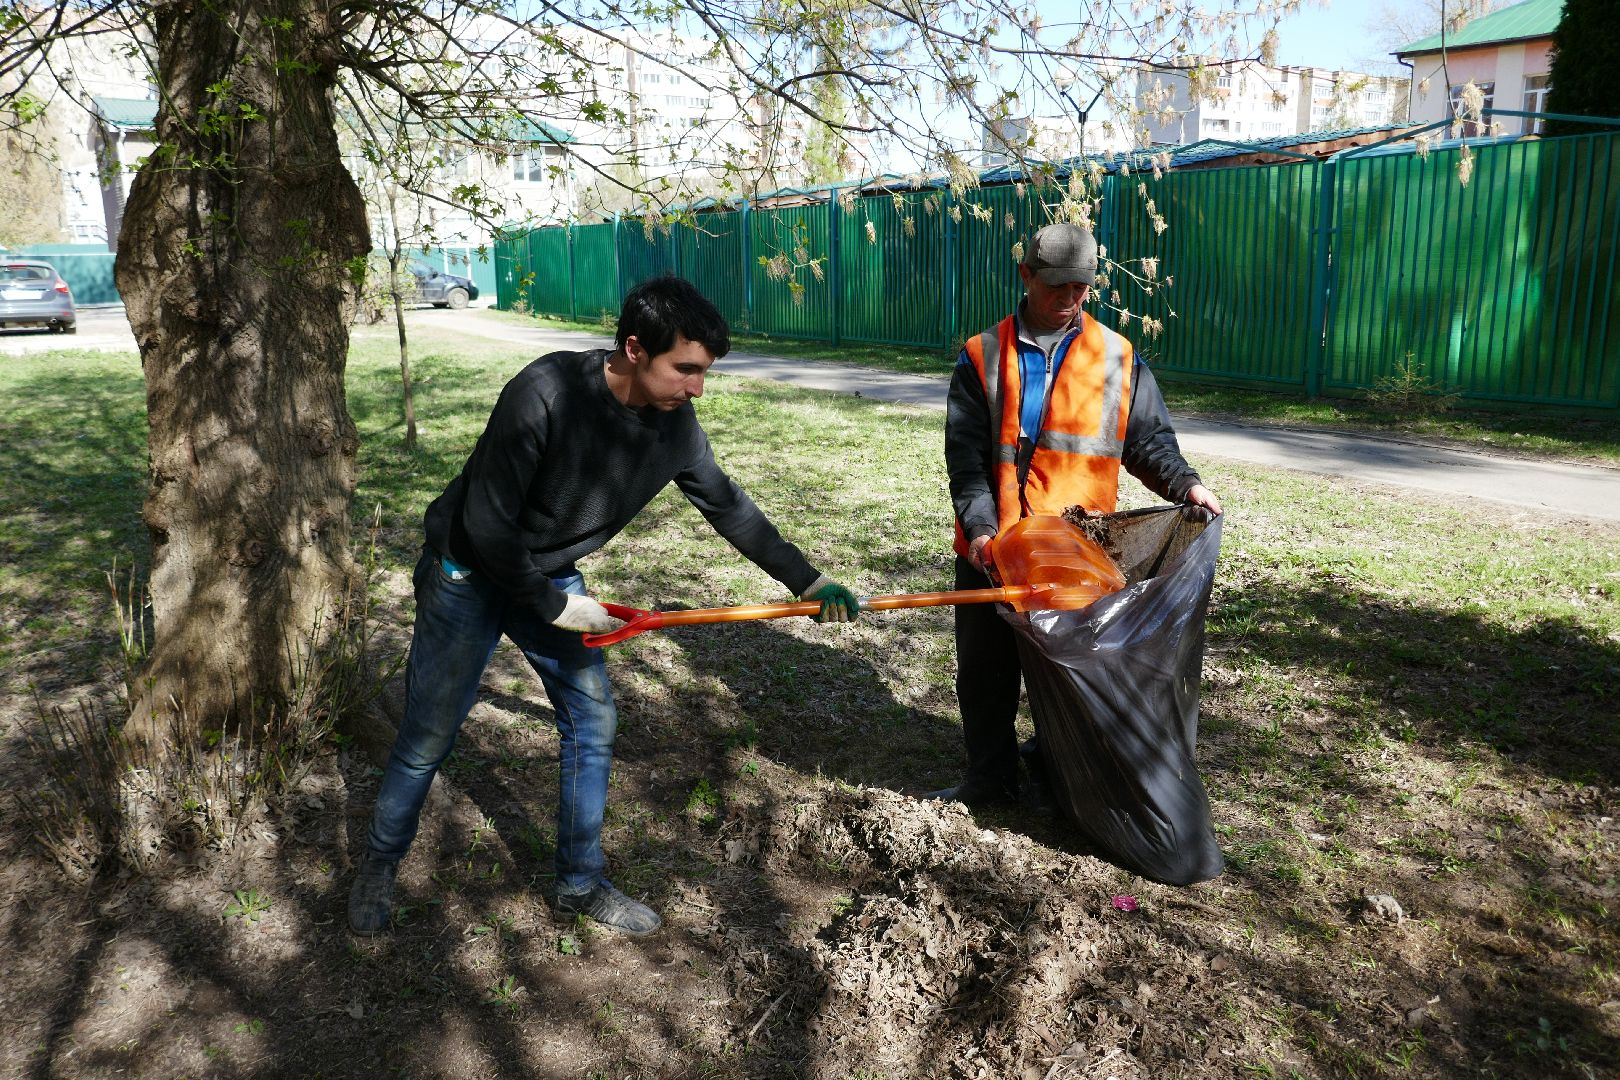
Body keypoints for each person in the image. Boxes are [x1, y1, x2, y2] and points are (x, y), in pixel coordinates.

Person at [349, 276, 860, 936]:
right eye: (687, 370)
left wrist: (808, 582)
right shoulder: (545, 394)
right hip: (467, 570)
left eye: (704, 373)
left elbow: (726, 504)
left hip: (547, 571)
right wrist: (553, 605)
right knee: (428, 734)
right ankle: (379, 865)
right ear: (635, 349)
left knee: (592, 721)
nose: (697, 388)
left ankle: (579, 882)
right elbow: (488, 523)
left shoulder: (674, 425)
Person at [931, 222, 1222, 808]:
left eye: (1080, 289)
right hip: (995, 548)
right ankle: (991, 778)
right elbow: (966, 461)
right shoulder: (982, 357)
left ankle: (1057, 772)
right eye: (1056, 288)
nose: (1068, 300)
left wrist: (1185, 484)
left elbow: (1148, 442)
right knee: (986, 672)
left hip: (1075, 552)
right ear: (1026, 277)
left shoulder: (1117, 357)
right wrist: (984, 530)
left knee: (1072, 673)